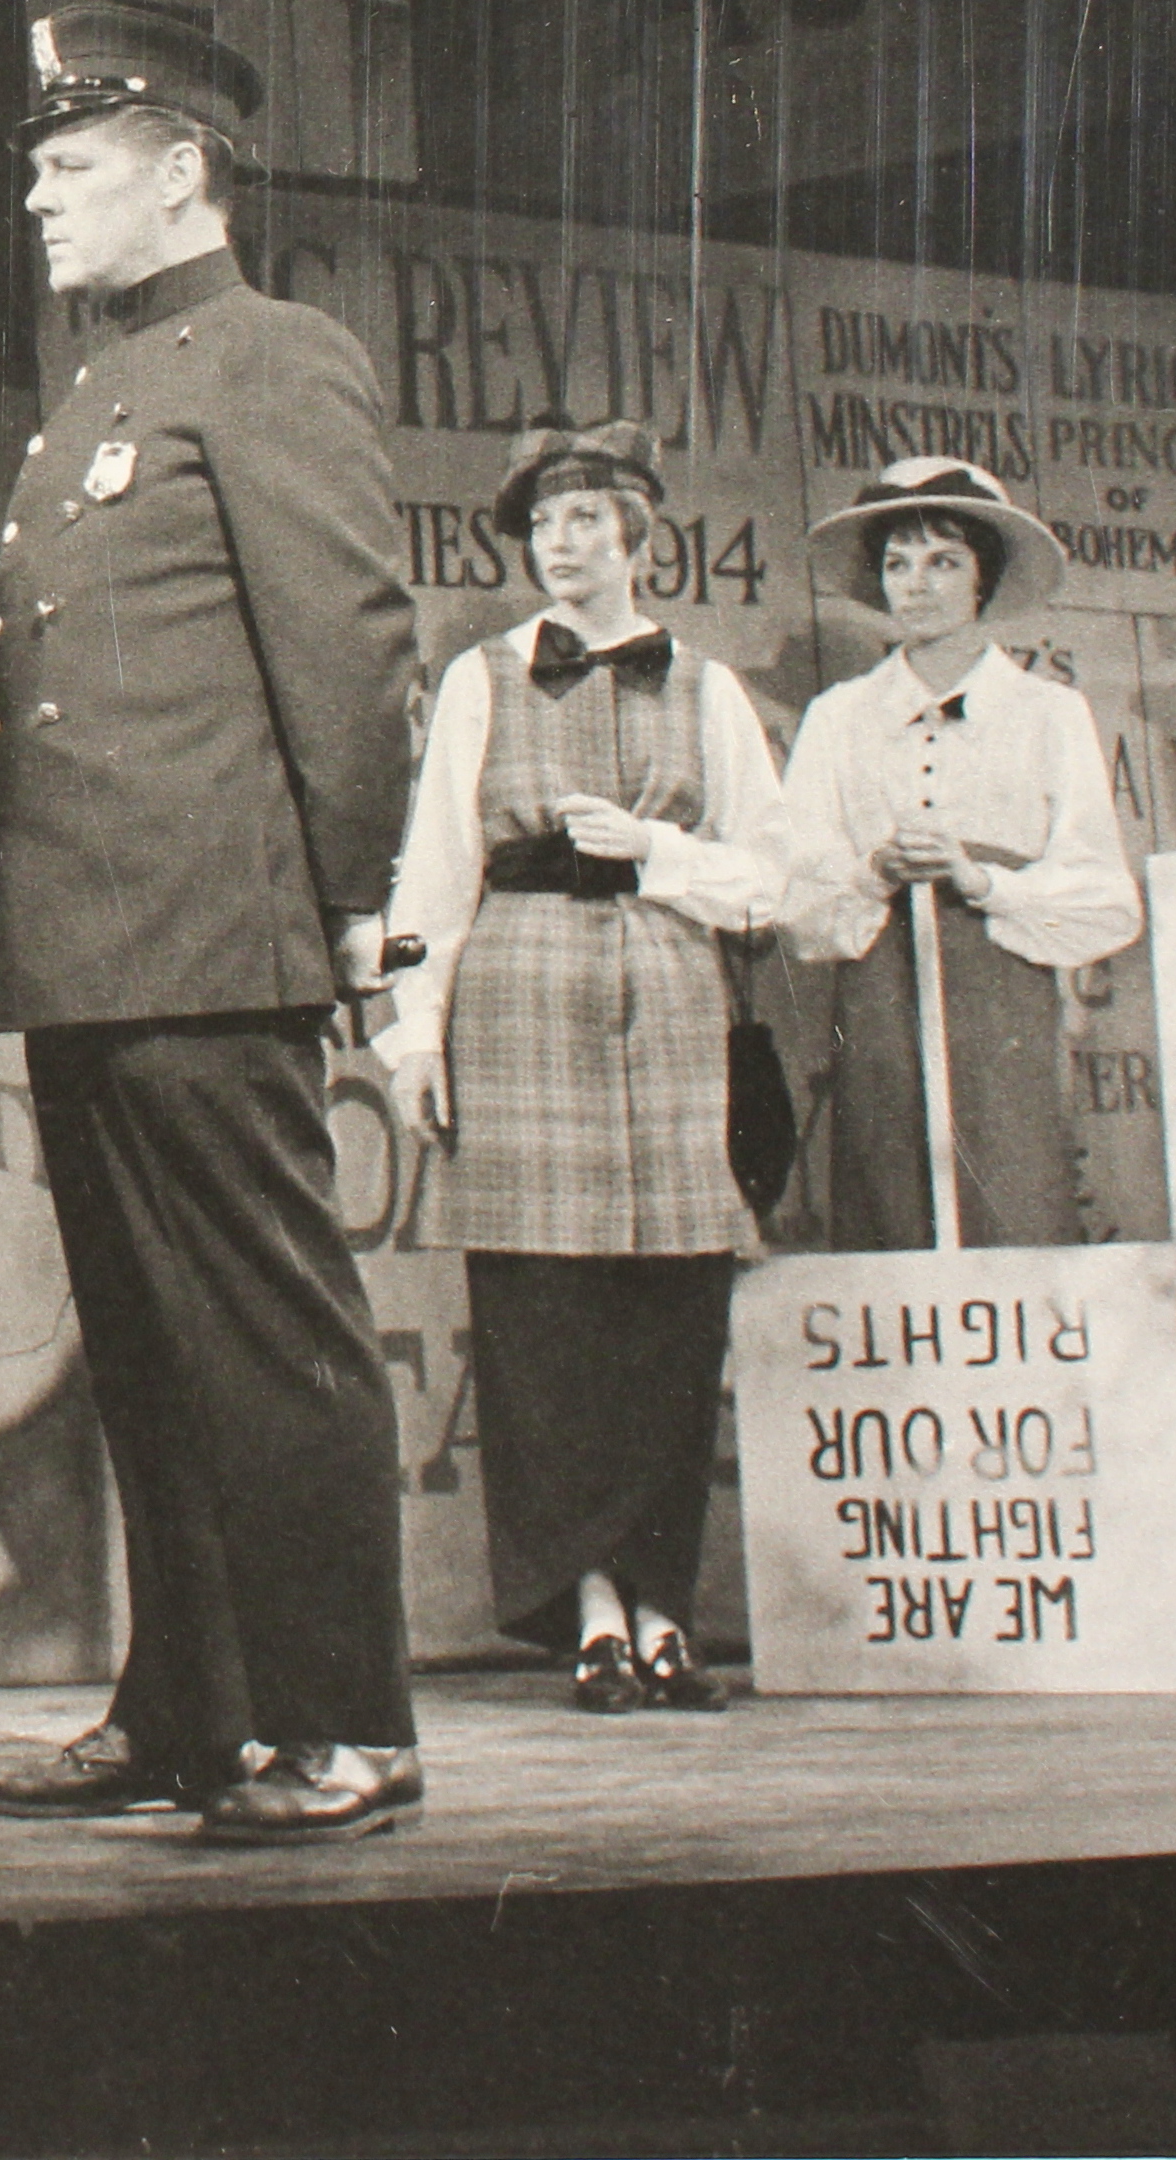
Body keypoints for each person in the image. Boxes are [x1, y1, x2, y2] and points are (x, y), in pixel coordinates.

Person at [0, 6, 430, 1849]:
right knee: (148, 1341)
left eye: (67, 168)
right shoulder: (100, 389)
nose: (36, 198)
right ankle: (188, 1711)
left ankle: (349, 1722)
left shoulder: (272, 359)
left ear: (180, 171)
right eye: (33, 169)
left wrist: (359, 899)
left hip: (211, 934)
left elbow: (348, 646)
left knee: (267, 1331)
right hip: (92, 938)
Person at [376, 421, 790, 1714]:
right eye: (541, 526)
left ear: (634, 536)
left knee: (667, 1316)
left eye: (581, 521)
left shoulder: (706, 689)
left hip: (668, 1003)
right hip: (517, 1004)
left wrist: (654, 856)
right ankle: (590, 1613)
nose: (558, 546)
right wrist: (411, 1035)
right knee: (542, 1323)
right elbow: (429, 873)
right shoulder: (481, 681)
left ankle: (664, 1605)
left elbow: (773, 877)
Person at [776, 458, 1141, 1249]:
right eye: (897, 564)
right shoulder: (838, 717)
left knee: (1009, 1199)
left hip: (1001, 998)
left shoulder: (1048, 713)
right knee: (890, 1206)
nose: (917, 584)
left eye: (943, 562)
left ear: (984, 577)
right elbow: (798, 901)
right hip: (877, 1001)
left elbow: (1104, 897)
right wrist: (873, 873)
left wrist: (984, 882)